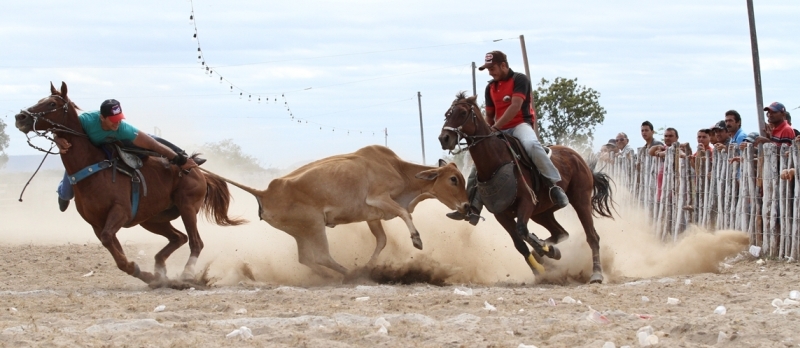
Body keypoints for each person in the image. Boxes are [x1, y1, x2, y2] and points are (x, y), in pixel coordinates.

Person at [446, 50, 569, 225]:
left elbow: (515, 107)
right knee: (479, 165)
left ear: (503, 65)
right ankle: (472, 208)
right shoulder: (490, 88)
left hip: (520, 126)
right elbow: (489, 115)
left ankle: (554, 186)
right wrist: (488, 132)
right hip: (499, 130)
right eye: (487, 69)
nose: (490, 72)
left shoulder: (520, 80)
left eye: (492, 67)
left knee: (533, 146)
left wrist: (495, 127)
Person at [55, 99, 202, 212]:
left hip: (115, 142)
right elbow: (59, 130)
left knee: (152, 139)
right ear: (102, 118)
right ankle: (62, 193)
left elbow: (153, 145)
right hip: (90, 152)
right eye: (113, 120)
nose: (117, 123)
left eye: (119, 118)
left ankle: (185, 157)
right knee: (67, 193)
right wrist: (57, 138)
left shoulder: (123, 128)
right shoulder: (85, 121)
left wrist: (179, 160)